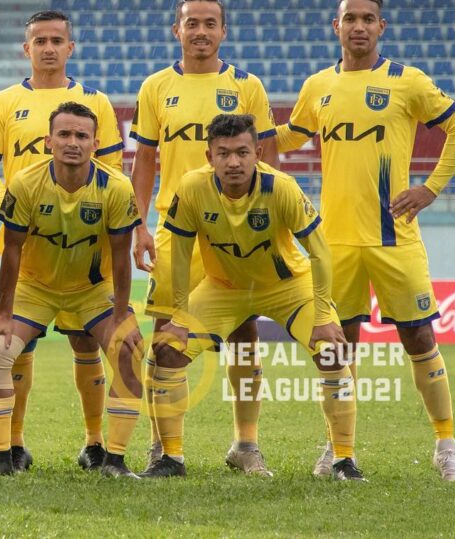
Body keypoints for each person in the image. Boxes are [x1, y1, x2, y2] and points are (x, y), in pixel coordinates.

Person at [277, 0, 455, 481]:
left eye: (368, 18)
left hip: (394, 239)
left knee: (419, 337)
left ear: (381, 27)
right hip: (335, 243)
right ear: (336, 26)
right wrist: (243, 135)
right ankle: (337, 448)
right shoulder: (318, 86)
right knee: (336, 347)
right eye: (350, 18)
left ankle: (446, 446)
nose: (359, 26)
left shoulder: (407, 81)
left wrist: (430, 188)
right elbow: (289, 139)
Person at [142, 113, 362, 481]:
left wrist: (324, 316)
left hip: (286, 285)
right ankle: (171, 459)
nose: (233, 162)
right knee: (168, 350)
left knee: (332, 352)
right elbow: (179, 258)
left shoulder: (282, 187)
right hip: (224, 287)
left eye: (242, 152)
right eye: (224, 153)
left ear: (257, 153)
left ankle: (343, 460)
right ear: (209, 156)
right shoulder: (192, 188)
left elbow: (321, 252)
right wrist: (179, 317)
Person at [129, 0, 278, 475]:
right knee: (165, 335)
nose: (200, 31)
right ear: (177, 30)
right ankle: (162, 446)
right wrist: (139, 224)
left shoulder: (247, 85)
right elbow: (144, 161)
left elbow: (269, 160)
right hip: (176, 229)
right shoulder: (155, 86)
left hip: (237, 230)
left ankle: (246, 444)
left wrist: (268, 222)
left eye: (209, 23)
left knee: (244, 333)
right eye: (191, 22)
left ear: (223, 31)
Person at [0, 9, 125, 471]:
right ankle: (14, 445)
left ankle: (95, 442)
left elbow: (113, 169)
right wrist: (13, 202)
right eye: (40, 41)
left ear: (70, 48)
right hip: (26, 244)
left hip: (84, 249)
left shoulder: (95, 102)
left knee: (86, 345)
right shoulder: (4, 103)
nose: (49, 48)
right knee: (18, 348)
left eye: (57, 40)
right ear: (27, 48)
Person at [0, 101, 144, 478]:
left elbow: (122, 256)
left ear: (95, 143)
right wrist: (3, 313)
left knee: (129, 350)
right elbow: (12, 249)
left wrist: (122, 314)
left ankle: (114, 460)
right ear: (48, 141)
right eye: (65, 134)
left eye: (82, 136)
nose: (73, 142)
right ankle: (2, 457)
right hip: (35, 287)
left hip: (91, 290)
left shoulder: (116, 187)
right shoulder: (25, 183)